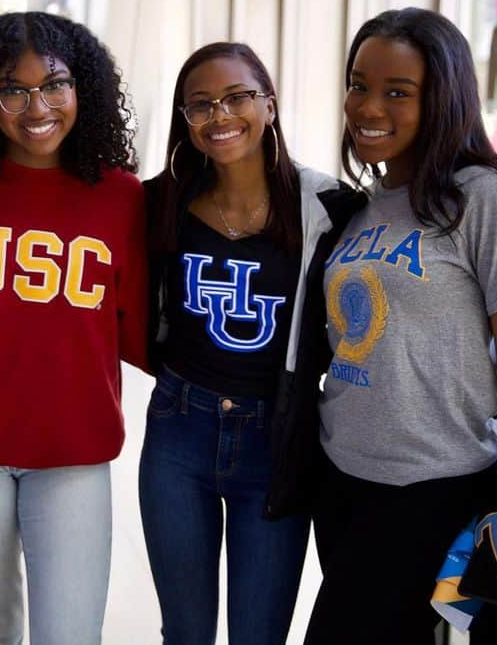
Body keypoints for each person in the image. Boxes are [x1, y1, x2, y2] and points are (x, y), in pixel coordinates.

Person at [302, 7, 497, 644]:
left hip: (431, 492)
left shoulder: (486, 197)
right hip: (341, 479)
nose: (369, 107)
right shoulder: (362, 211)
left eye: (399, 93)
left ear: (444, 101)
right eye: (359, 84)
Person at [0, 11, 148, 645]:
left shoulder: (122, 197)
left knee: (70, 635)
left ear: (82, 90)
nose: (35, 105)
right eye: (12, 89)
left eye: (55, 84)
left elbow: (145, 330)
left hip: (73, 452)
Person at [140, 42, 360, 645]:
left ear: (268, 104)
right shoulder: (161, 202)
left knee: (259, 634)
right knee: (185, 632)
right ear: (185, 121)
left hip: (277, 439)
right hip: (179, 431)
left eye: (236, 97)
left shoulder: (330, 208)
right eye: (200, 105)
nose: (220, 115)